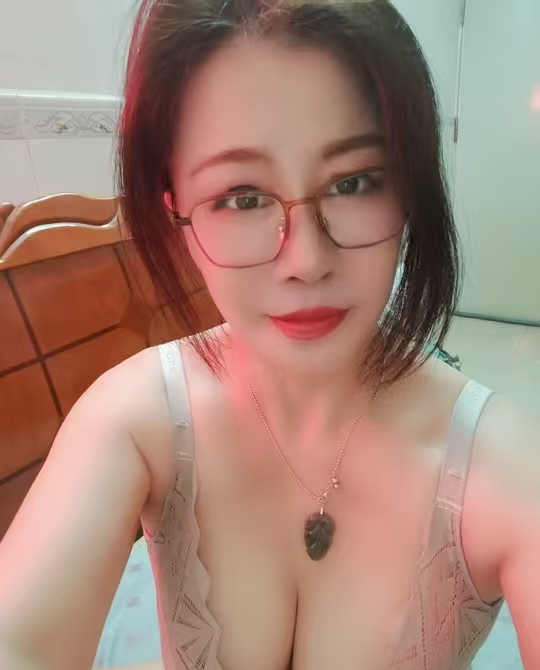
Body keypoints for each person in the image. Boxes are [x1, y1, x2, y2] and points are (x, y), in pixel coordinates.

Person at [0, 0, 539, 668]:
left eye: (354, 183)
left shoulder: (501, 466)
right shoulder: (134, 418)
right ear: (176, 213)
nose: (306, 260)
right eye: (243, 197)